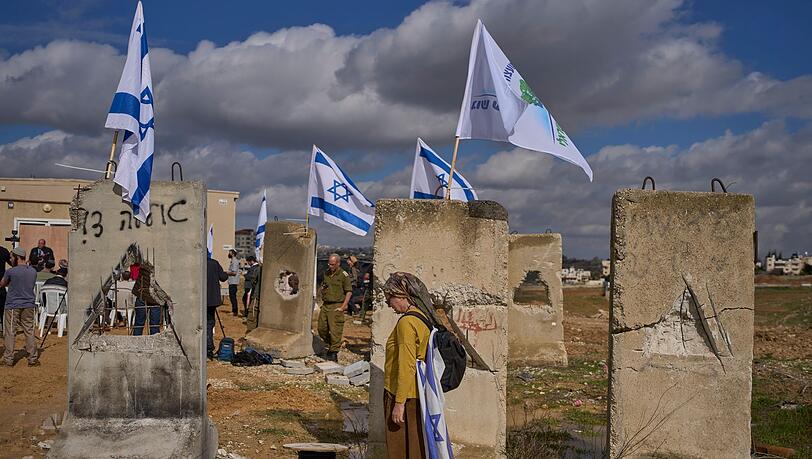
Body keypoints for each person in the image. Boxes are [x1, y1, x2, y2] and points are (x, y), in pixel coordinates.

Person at [382, 272, 432, 458]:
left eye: (390, 298)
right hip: (416, 394)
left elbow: (407, 364)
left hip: (404, 396)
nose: (388, 303)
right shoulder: (420, 317)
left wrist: (399, 403)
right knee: (416, 449)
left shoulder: (407, 322)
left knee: (400, 451)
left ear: (402, 295)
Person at [1, 247, 39, 366]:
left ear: (17, 257)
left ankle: (8, 359)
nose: (11, 259)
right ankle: (32, 358)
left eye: (12, 257)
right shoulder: (33, 271)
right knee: (29, 330)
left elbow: (2, 284)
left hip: (13, 305)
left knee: (10, 331)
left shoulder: (11, 271)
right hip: (29, 304)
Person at [317, 253, 352, 362]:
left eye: (332, 264)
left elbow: (349, 292)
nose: (330, 266)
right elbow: (324, 285)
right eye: (329, 264)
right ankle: (333, 344)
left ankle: (333, 351)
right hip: (326, 304)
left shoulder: (343, 275)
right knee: (321, 328)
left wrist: (343, 307)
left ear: (338, 263)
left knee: (335, 330)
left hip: (337, 304)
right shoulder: (326, 274)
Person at [131, 260, 172, 336]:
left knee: (139, 323)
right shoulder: (162, 270)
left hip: (143, 296)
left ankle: (135, 343)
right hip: (155, 299)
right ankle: (154, 343)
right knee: (154, 325)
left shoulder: (144, 265)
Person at [207, 256, 228, 359]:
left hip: (198, 300)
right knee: (209, 323)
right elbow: (223, 277)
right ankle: (208, 348)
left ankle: (204, 347)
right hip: (212, 299)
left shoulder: (195, 263)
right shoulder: (214, 263)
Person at [226, 249, 240, 316]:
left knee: (233, 297)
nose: (229, 254)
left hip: (233, 282)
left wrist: (227, 272)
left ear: (233, 254)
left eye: (230, 253)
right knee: (232, 297)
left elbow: (234, 273)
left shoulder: (234, 261)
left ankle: (235, 311)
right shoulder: (232, 261)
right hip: (231, 281)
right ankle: (234, 310)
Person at [0, 244, 11, 331]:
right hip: (1, 284)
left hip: (1, 284)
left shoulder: (4, 251)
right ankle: (3, 328)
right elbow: (12, 263)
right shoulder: (4, 251)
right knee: (2, 308)